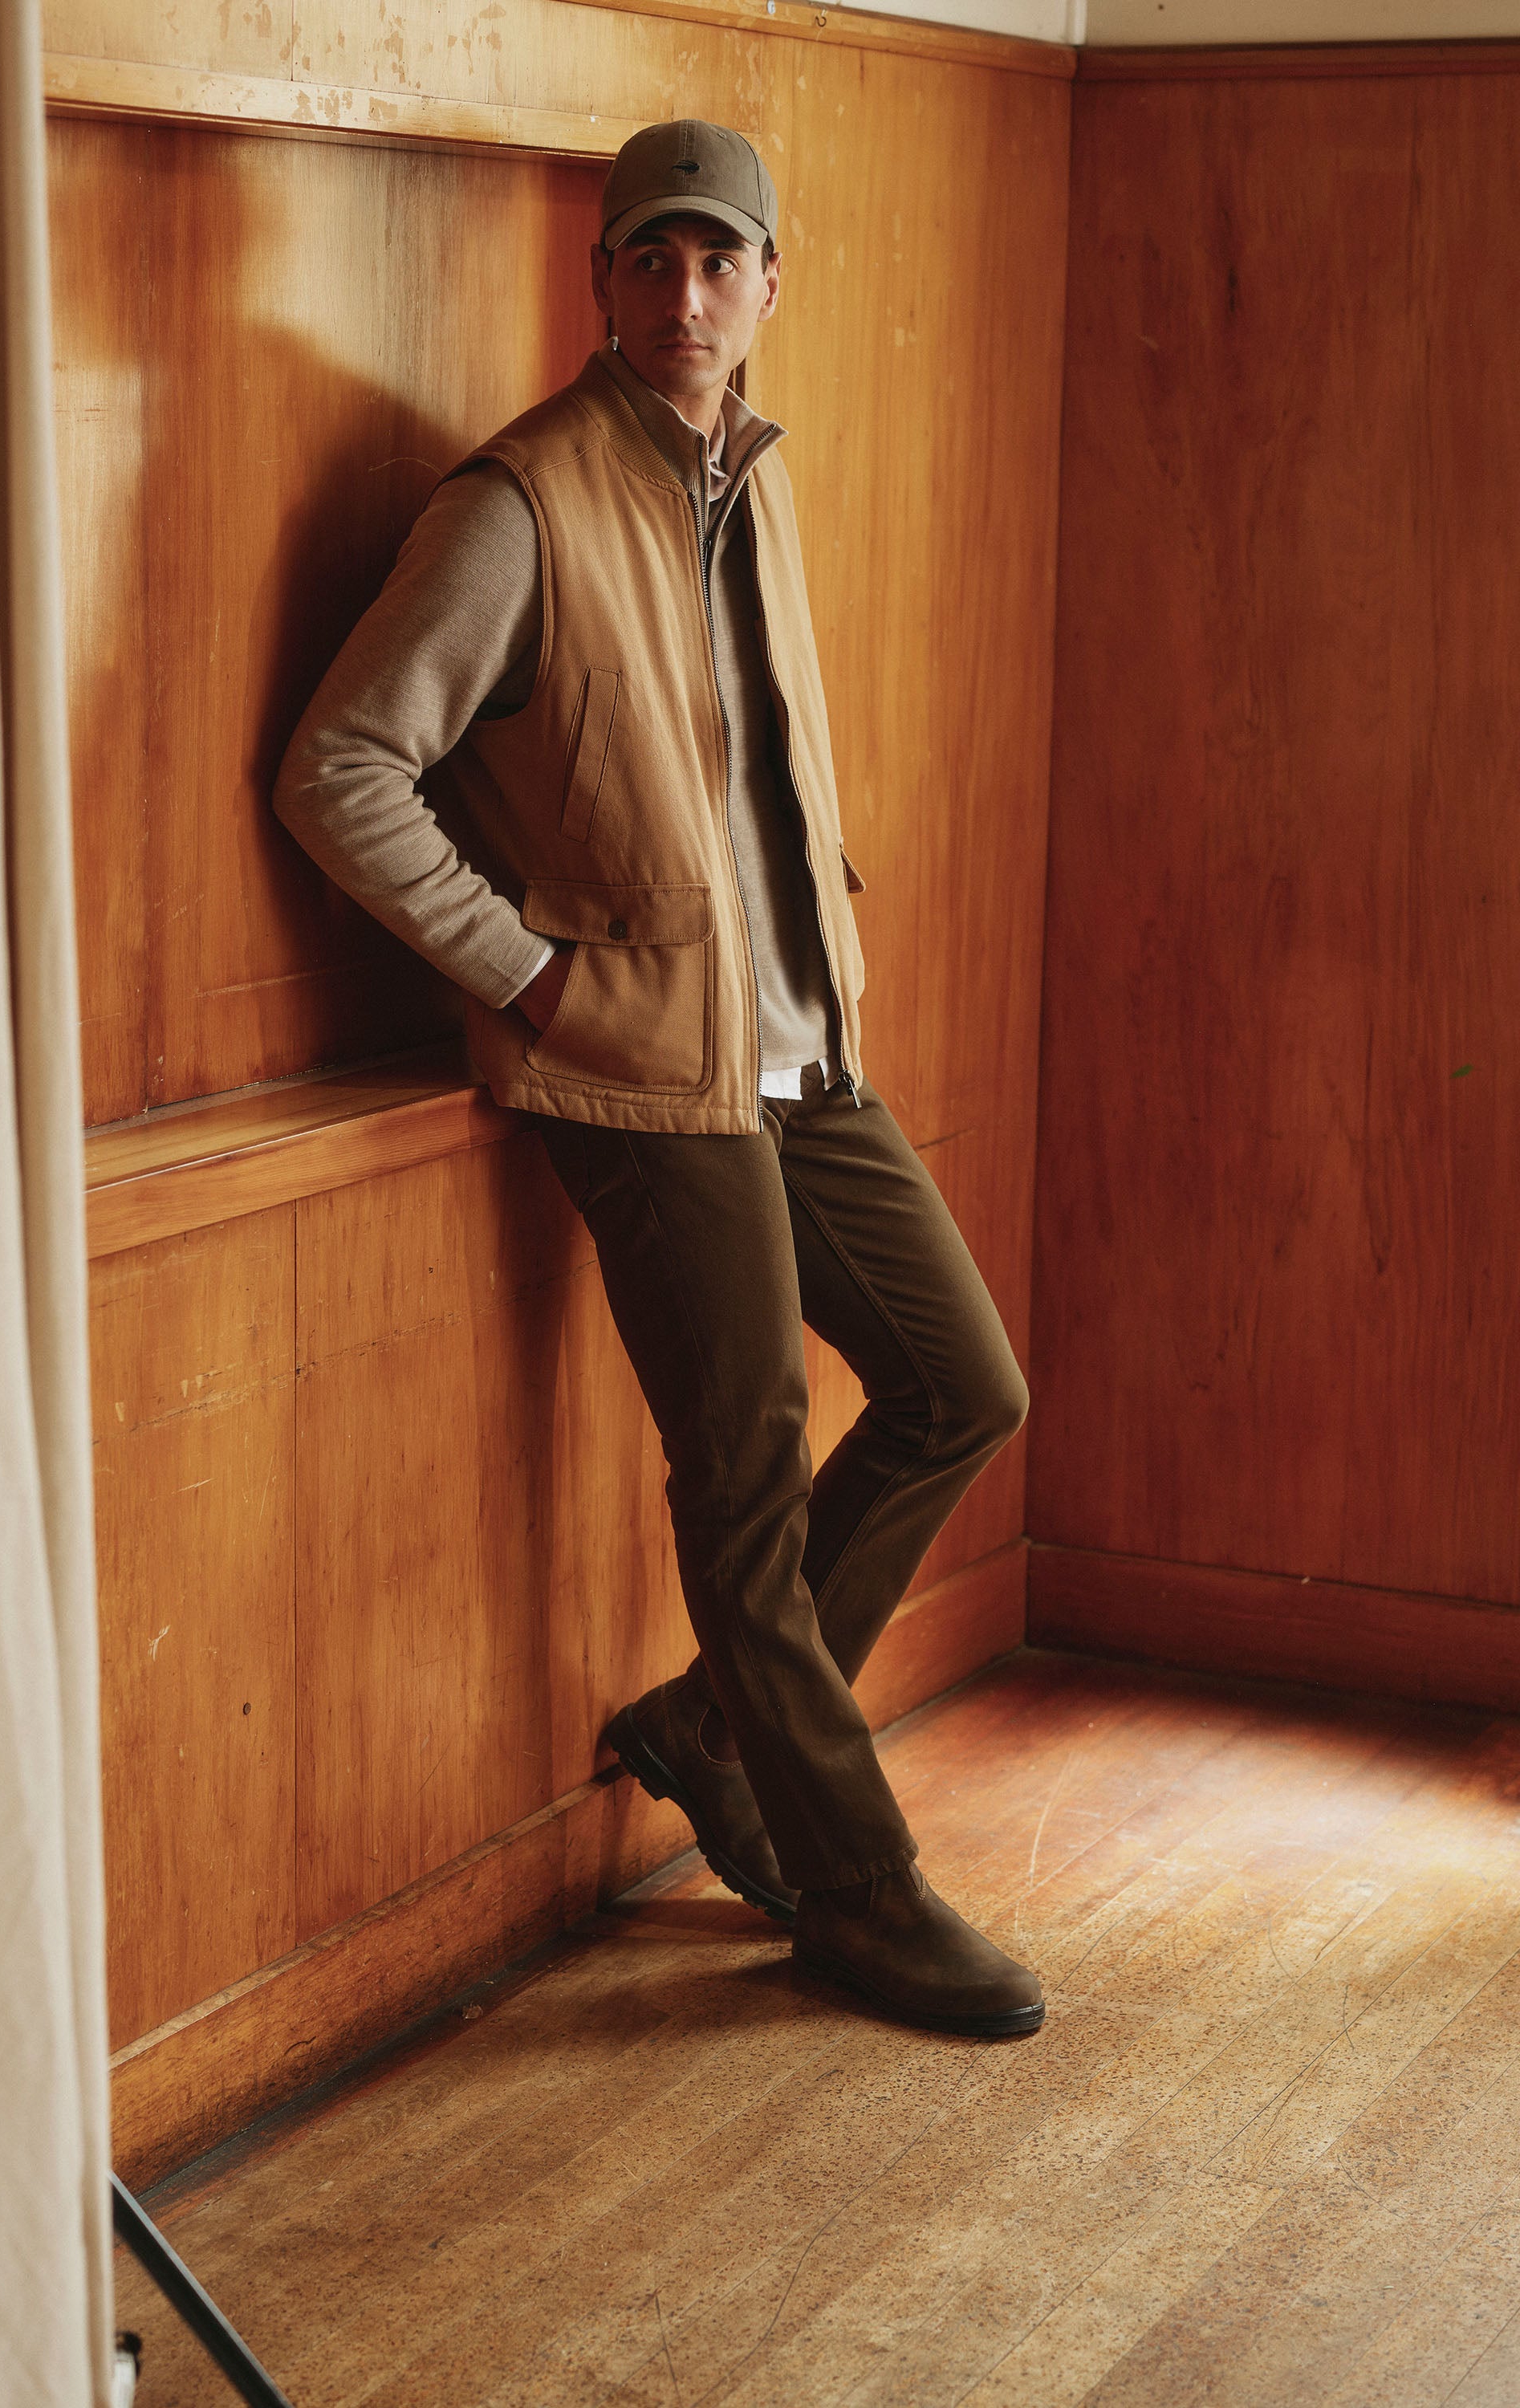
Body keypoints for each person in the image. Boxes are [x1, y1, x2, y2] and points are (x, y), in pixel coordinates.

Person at [274, 119, 1044, 2039]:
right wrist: (528, 973)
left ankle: (716, 1731)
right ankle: (854, 1891)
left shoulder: (748, 476)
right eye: (651, 260)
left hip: (798, 1051)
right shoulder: (518, 504)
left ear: (771, 285)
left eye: (720, 262)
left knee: (963, 1387)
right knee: (748, 1486)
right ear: (603, 280)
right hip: (637, 1075)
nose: (686, 297)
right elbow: (341, 767)